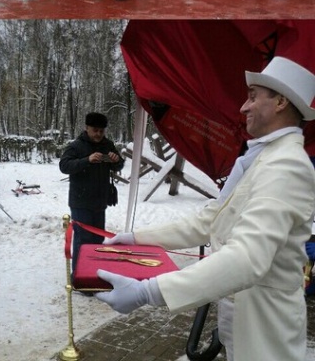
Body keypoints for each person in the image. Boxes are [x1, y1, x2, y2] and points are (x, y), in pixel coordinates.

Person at [96, 57, 315, 361]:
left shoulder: (287, 165)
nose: (243, 107)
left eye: (252, 97)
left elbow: (247, 259)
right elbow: (210, 220)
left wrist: (149, 291)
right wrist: (137, 238)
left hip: (265, 333)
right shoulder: (260, 158)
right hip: (243, 327)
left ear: (280, 101)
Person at [59, 110, 124, 270]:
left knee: (97, 239)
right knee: (83, 240)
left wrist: (116, 161)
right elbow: (64, 166)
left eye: (101, 131)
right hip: (80, 202)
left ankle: (94, 273)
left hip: (100, 201)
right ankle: (80, 277)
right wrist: (86, 160)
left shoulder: (107, 145)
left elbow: (118, 164)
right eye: (95, 130)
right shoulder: (75, 146)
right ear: (86, 128)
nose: (98, 134)